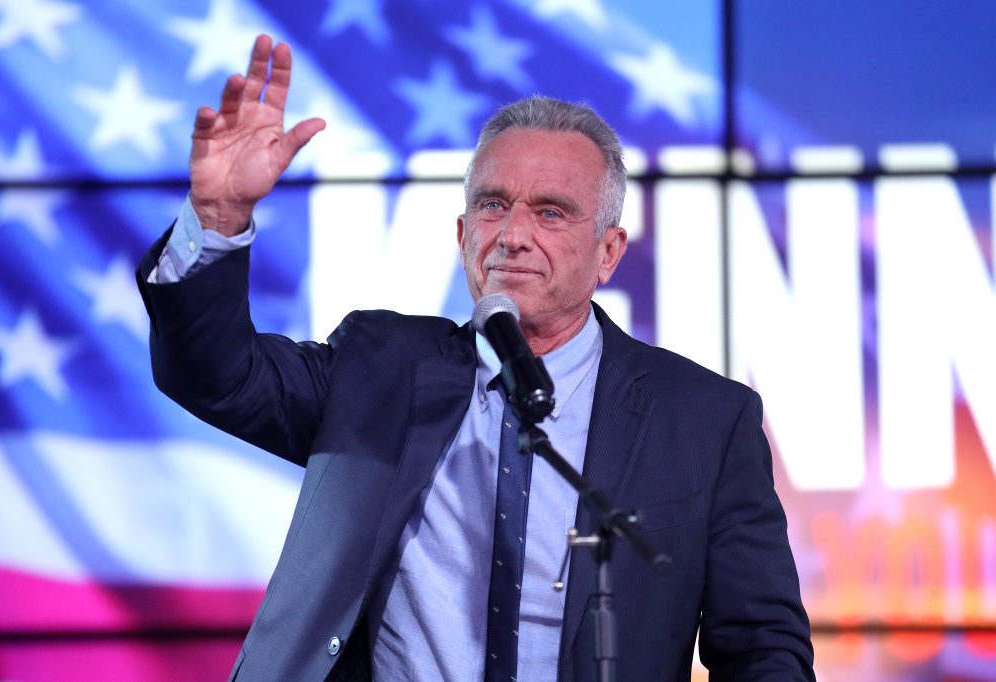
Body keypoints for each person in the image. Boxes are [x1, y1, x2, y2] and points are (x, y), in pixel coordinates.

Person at [137, 35, 815, 681]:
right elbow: (213, 374)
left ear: (608, 252)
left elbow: (761, 647)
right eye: (493, 205)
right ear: (464, 234)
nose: (513, 235)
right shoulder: (377, 367)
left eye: (551, 213)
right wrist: (219, 215)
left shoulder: (703, 421)